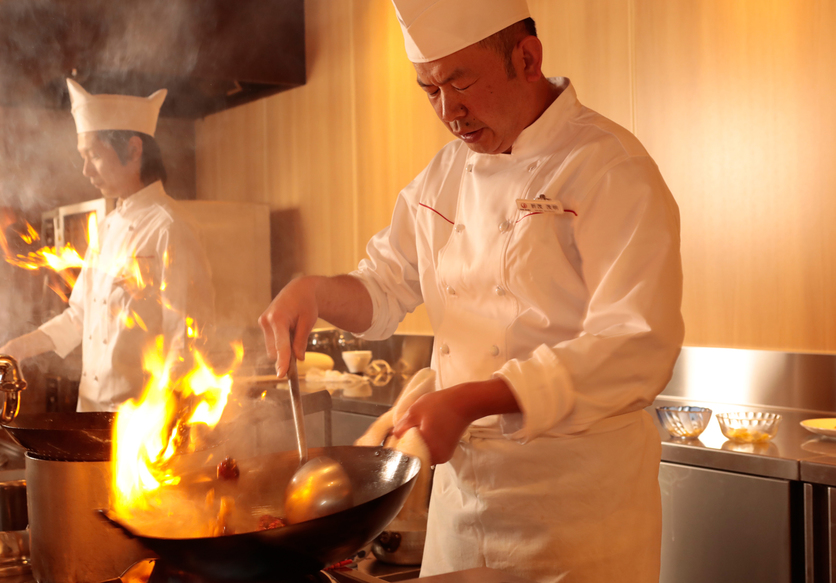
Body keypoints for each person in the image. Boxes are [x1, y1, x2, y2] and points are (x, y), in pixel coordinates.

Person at [258, 0, 684, 581]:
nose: (448, 110)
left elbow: (634, 343)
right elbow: (382, 286)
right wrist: (313, 292)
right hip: (461, 511)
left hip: (576, 515)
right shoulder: (441, 177)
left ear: (527, 58)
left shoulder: (609, 168)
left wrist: (470, 399)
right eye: (428, 89)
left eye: (460, 81)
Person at [0, 79, 215, 412]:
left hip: (140, 426)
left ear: (134, 150)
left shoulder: (170, 228)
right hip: (90, 416)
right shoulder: (108, 228)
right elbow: (79, 315)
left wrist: (165, 416)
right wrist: (16, 348)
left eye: (93, 155)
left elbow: (187, 339)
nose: (84, 170)